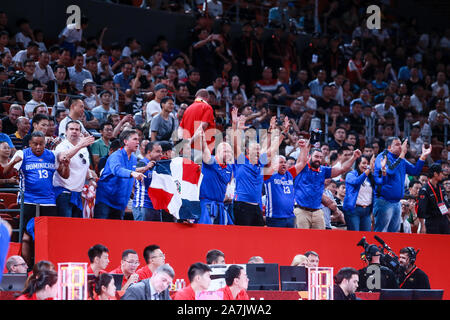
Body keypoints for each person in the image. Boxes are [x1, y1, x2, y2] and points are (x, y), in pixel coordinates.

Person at [293, 146, 361, 229]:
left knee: (320, 240)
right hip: (301, 211)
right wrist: (304, 147)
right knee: (302, 240)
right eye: (316, 156)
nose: (318, 159)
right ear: (310, 156)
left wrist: (354, 157)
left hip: (317, 211)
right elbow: (301, 160)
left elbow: (342, 169)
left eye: (320, 157)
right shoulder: (301, 168)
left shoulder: (323, 170)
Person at [373, 137, 432, 232]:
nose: (401, 147)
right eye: (397, 144)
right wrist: (402, 155)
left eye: (401, 144)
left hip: (397, 202)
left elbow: (415, 171)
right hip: (384, 201)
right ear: (389, 147)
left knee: (394, 233)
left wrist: (423, 156)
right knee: (381, 232)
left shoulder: (401, 159)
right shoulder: (383, 156)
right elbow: (390, 171)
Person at [94, 129, 145, 220]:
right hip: (106, 200)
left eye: (138, 139)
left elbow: (129, 174)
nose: (138, 142)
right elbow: (117, 170)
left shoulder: (133, 158)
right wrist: (132, 173)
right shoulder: (116, 155)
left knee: (115, 232)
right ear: (125, 141)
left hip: (121, 202)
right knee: (100, 230)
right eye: (135, 139)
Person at [53, 121, 96, 218]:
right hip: (63, 192)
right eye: (71, 129)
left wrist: (91, 179)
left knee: (75, 227)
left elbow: (85, 166)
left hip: (78, 192)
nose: (74, 131)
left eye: (77, 129)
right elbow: (63, 158)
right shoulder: (62, 146)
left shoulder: (84, 149)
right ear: (66, 132)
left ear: (80, 132)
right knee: (65, 225)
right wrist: (80, 145)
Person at [132, 142, 170, 222]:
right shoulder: (141, 163)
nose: (161, 154)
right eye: (157, 151)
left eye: (161, 152)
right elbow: (131, 173)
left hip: (156, 206)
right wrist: (146, 168)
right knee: (142, 233)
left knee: (156, 234)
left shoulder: (158, 166)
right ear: (149, 152)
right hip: (143, 205)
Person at [343, 155, 376, 231]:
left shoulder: (370, 177)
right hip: (354, 210)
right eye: (363, 163)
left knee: (366, 237)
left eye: (368, 163)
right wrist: (369, 169)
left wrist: (383, 169)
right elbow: (357, 182)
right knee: (354, 237)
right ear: (358, 164)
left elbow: (380, 183)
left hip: (367, 211)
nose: (366, 166)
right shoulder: (350, 175)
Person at [417, 163, 450, 234]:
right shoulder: (424, 190)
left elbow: (447, 205)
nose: (442, 175)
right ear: (435, 174)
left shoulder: (441, 187)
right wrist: (422, 226)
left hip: (443, 219)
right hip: (431, 221)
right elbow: (421, 210)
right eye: (441, 173)